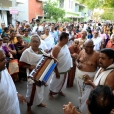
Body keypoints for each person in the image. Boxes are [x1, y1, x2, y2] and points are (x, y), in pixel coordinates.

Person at [19, 35, 47, 114]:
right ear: (30, 43)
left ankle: (39, 102)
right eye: (33, 41)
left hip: (40, 74)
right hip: (32, 75)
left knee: (40, 90)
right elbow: (20, 64)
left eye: (36, 41)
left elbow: (46, 58)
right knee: (31, 91)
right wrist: (29, 66)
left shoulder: (41, 50)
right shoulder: (27, 52)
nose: (35, 43)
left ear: (39, 43)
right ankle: (29, 107)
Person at [76, 39, 99, 114]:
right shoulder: (82, 51)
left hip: (90, 79)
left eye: (91, 47)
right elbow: (76, 60)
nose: (89, 49)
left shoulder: (97, 54)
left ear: (93, 46)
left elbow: (100, 67)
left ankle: (85, 110)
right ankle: (80, 106)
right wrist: (77, 64)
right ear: (84, 46)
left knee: (88, 95)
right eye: (87, 47)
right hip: (79, 76)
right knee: (80, 93)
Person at [0, 49, 27, 114]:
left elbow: (10, 83)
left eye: (5, 58)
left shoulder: (4, 69)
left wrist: (16, 94)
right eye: (2, 60)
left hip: (14, 107)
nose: (6, 61)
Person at [49, 32, 72, 99]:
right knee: (54, 82)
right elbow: (53, 61)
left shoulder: (65, 46)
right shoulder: (56, 48)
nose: (68, 40)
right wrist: (56, 72)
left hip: (65, 69)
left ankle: (59, 91)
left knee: (62, 82)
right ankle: (50, 93)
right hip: (58, 70)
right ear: (64, 39)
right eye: (67, 38)